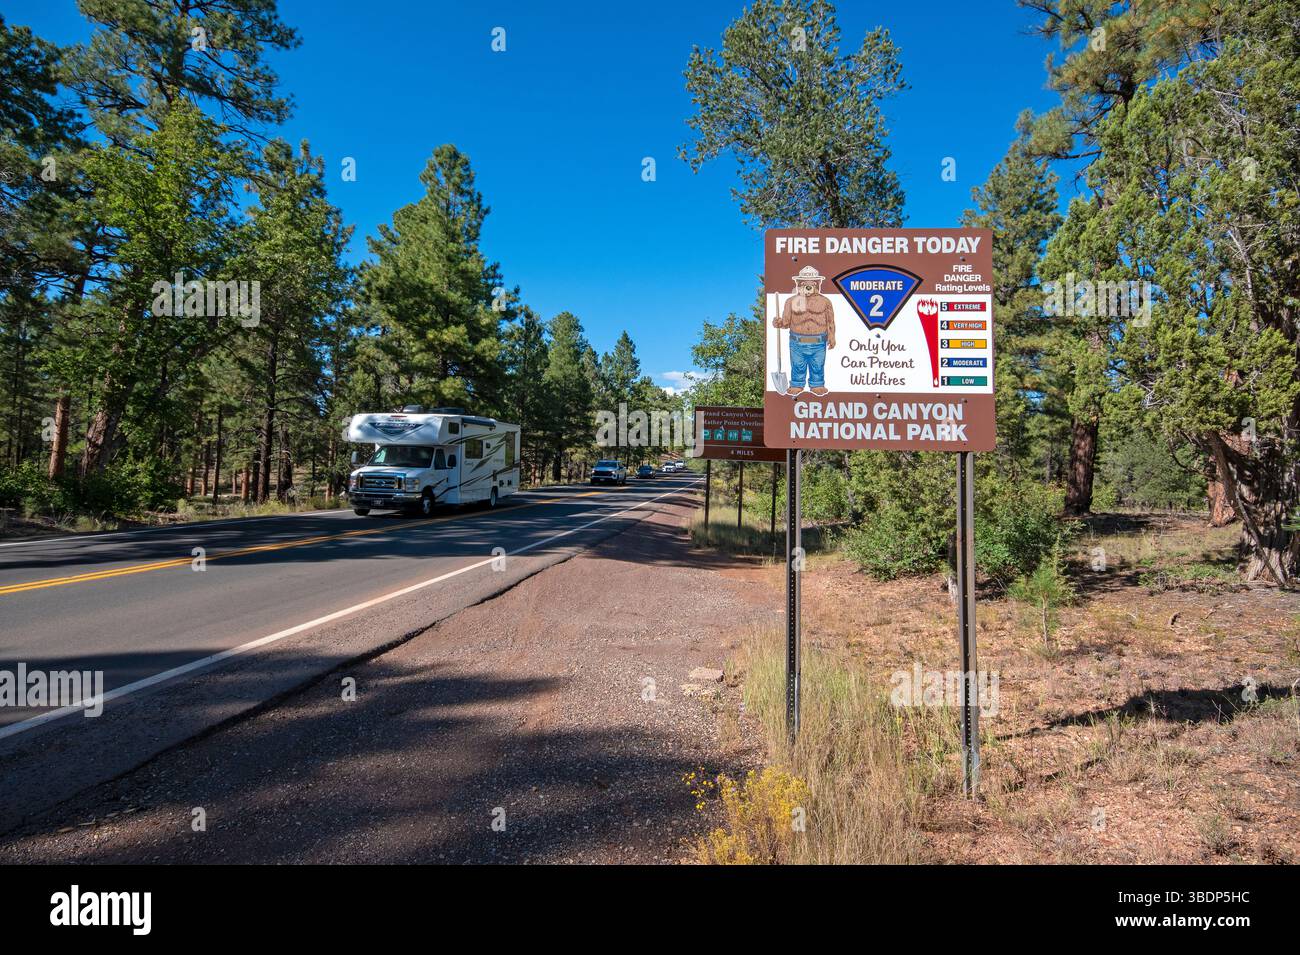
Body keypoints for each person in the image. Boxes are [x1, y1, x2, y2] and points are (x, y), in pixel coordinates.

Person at [772, 265, 835, 396]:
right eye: (804, 283)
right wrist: (779, 323)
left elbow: (830, 321)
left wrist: (832, 336)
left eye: (811, 284)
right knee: (797, 365)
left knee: (817, 365)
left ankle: (817, 384)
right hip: (797, 342)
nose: (807, 286)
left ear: (818, 284)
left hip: (819, 342)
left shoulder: (825, 302)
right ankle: (796, 384)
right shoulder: (791, 302)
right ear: (798, 284)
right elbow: (786, 322)